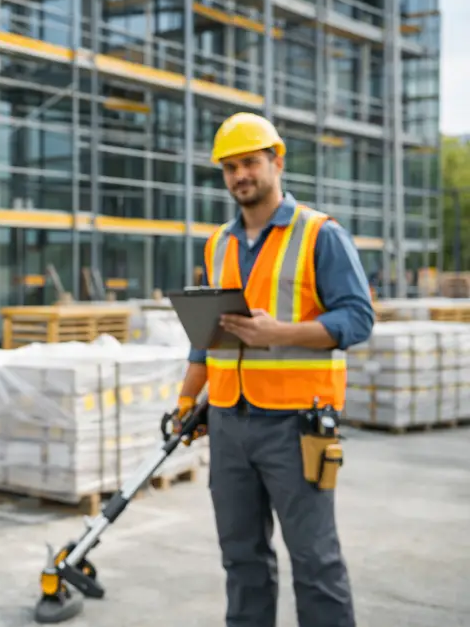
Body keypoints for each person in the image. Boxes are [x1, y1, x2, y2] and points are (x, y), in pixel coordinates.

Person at [174, 112, 375, 627]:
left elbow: (358, 318)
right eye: (229, 167)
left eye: (250, 163)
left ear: (276, 162)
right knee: (241, 559)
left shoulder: (319, 234)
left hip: (296, 425)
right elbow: (208, 338)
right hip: (228, 425)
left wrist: (279, 333)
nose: (240, 175)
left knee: (314, 561)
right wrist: (185, 402)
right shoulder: (218, 244)